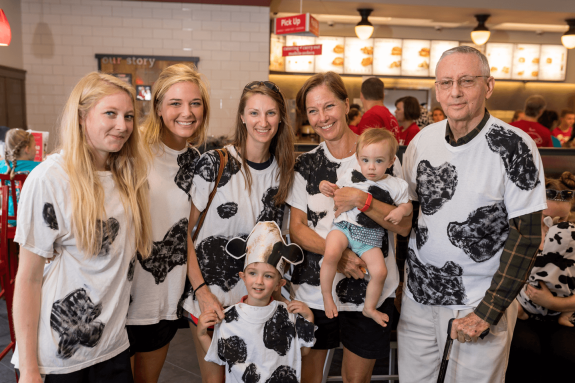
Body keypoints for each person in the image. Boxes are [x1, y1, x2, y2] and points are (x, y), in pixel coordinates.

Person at [399, 46, 546, 383]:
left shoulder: (514, 146)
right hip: (418, 299)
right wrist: (399, 286)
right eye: (446, 82)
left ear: (488, 86)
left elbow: (528, 235)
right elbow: (409, 216)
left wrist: (488, 312)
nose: (455, 91)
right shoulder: (422, 141)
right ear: (436, 90)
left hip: (479, 302)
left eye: (467, 81)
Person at [12, 72, 152, 382]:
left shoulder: (128, 177)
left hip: (113, 347)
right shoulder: (50, 179)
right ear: (81, 117)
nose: (123, 125)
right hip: (59, 358)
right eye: (110, 113)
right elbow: (29, 279)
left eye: (129, 116)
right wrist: (28, 368)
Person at [288, 71, 410, 383]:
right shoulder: (305, 165)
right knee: (310, 378)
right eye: (313, 111)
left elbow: (405, 225)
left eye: (328, 106)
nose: (322, 118)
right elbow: (297, 229)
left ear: (346, 104)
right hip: (315, 291)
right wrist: (340, 258)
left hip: (370, 289)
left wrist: (363, 200)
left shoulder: (382, 157)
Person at [180, 80, 295, 383]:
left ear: (281, 117)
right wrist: (202, 291)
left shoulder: (284, 172)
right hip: (212, 298)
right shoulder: (215, 164)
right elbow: (185, 235)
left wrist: (279, 292)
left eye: (270, 113)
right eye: (254, 113)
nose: (263, 121)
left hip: (258, 301)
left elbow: (279, 240)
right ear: (242, 117)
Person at [127, 64, 209, 383]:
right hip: (121, 295)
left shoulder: (198, 164)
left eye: (195, 103)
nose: (186, 112)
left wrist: (200, 288)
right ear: (158, 107)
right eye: (175, 103)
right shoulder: (133, 152)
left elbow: (187, 234)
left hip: (163, 298)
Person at [198, 221, 315, 382]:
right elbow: (219, 356)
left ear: (279, 284)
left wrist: (308, 317)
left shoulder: (288, 314)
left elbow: (303, 351)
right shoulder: (229, 317)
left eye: (268, 276)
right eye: (253, 273)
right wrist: (202, 334)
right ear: (243, 277)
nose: (259, 281)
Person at [319, 128, 411, 327]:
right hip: (344, 228)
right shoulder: (350, 176)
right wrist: (326, 187)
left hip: (370, 238)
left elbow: (407, 205)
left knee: (380, 272)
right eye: (365, 160)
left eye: (379, 161)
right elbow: (336, 191)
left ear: (391, 161)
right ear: (358, 159)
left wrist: (400, 211)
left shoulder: (396, 185)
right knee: (332, 253)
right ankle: (326, 295)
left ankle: (369, 308)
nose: (371, 167)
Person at [506, 172, 575, 382]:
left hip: (564, 312)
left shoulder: (571, 240)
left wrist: (553, 302)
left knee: (567, 354)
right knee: (522, 349)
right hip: (522, 311)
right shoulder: (518, 235)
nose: (553, 222)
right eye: (546, 216)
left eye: (561, 219)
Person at [0, 128, 40, 226]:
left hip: (8, 219)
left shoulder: (2, 166)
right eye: (34, 146)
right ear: (27, 149)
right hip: (32, 220)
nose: (36, 149)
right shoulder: (39, 167)